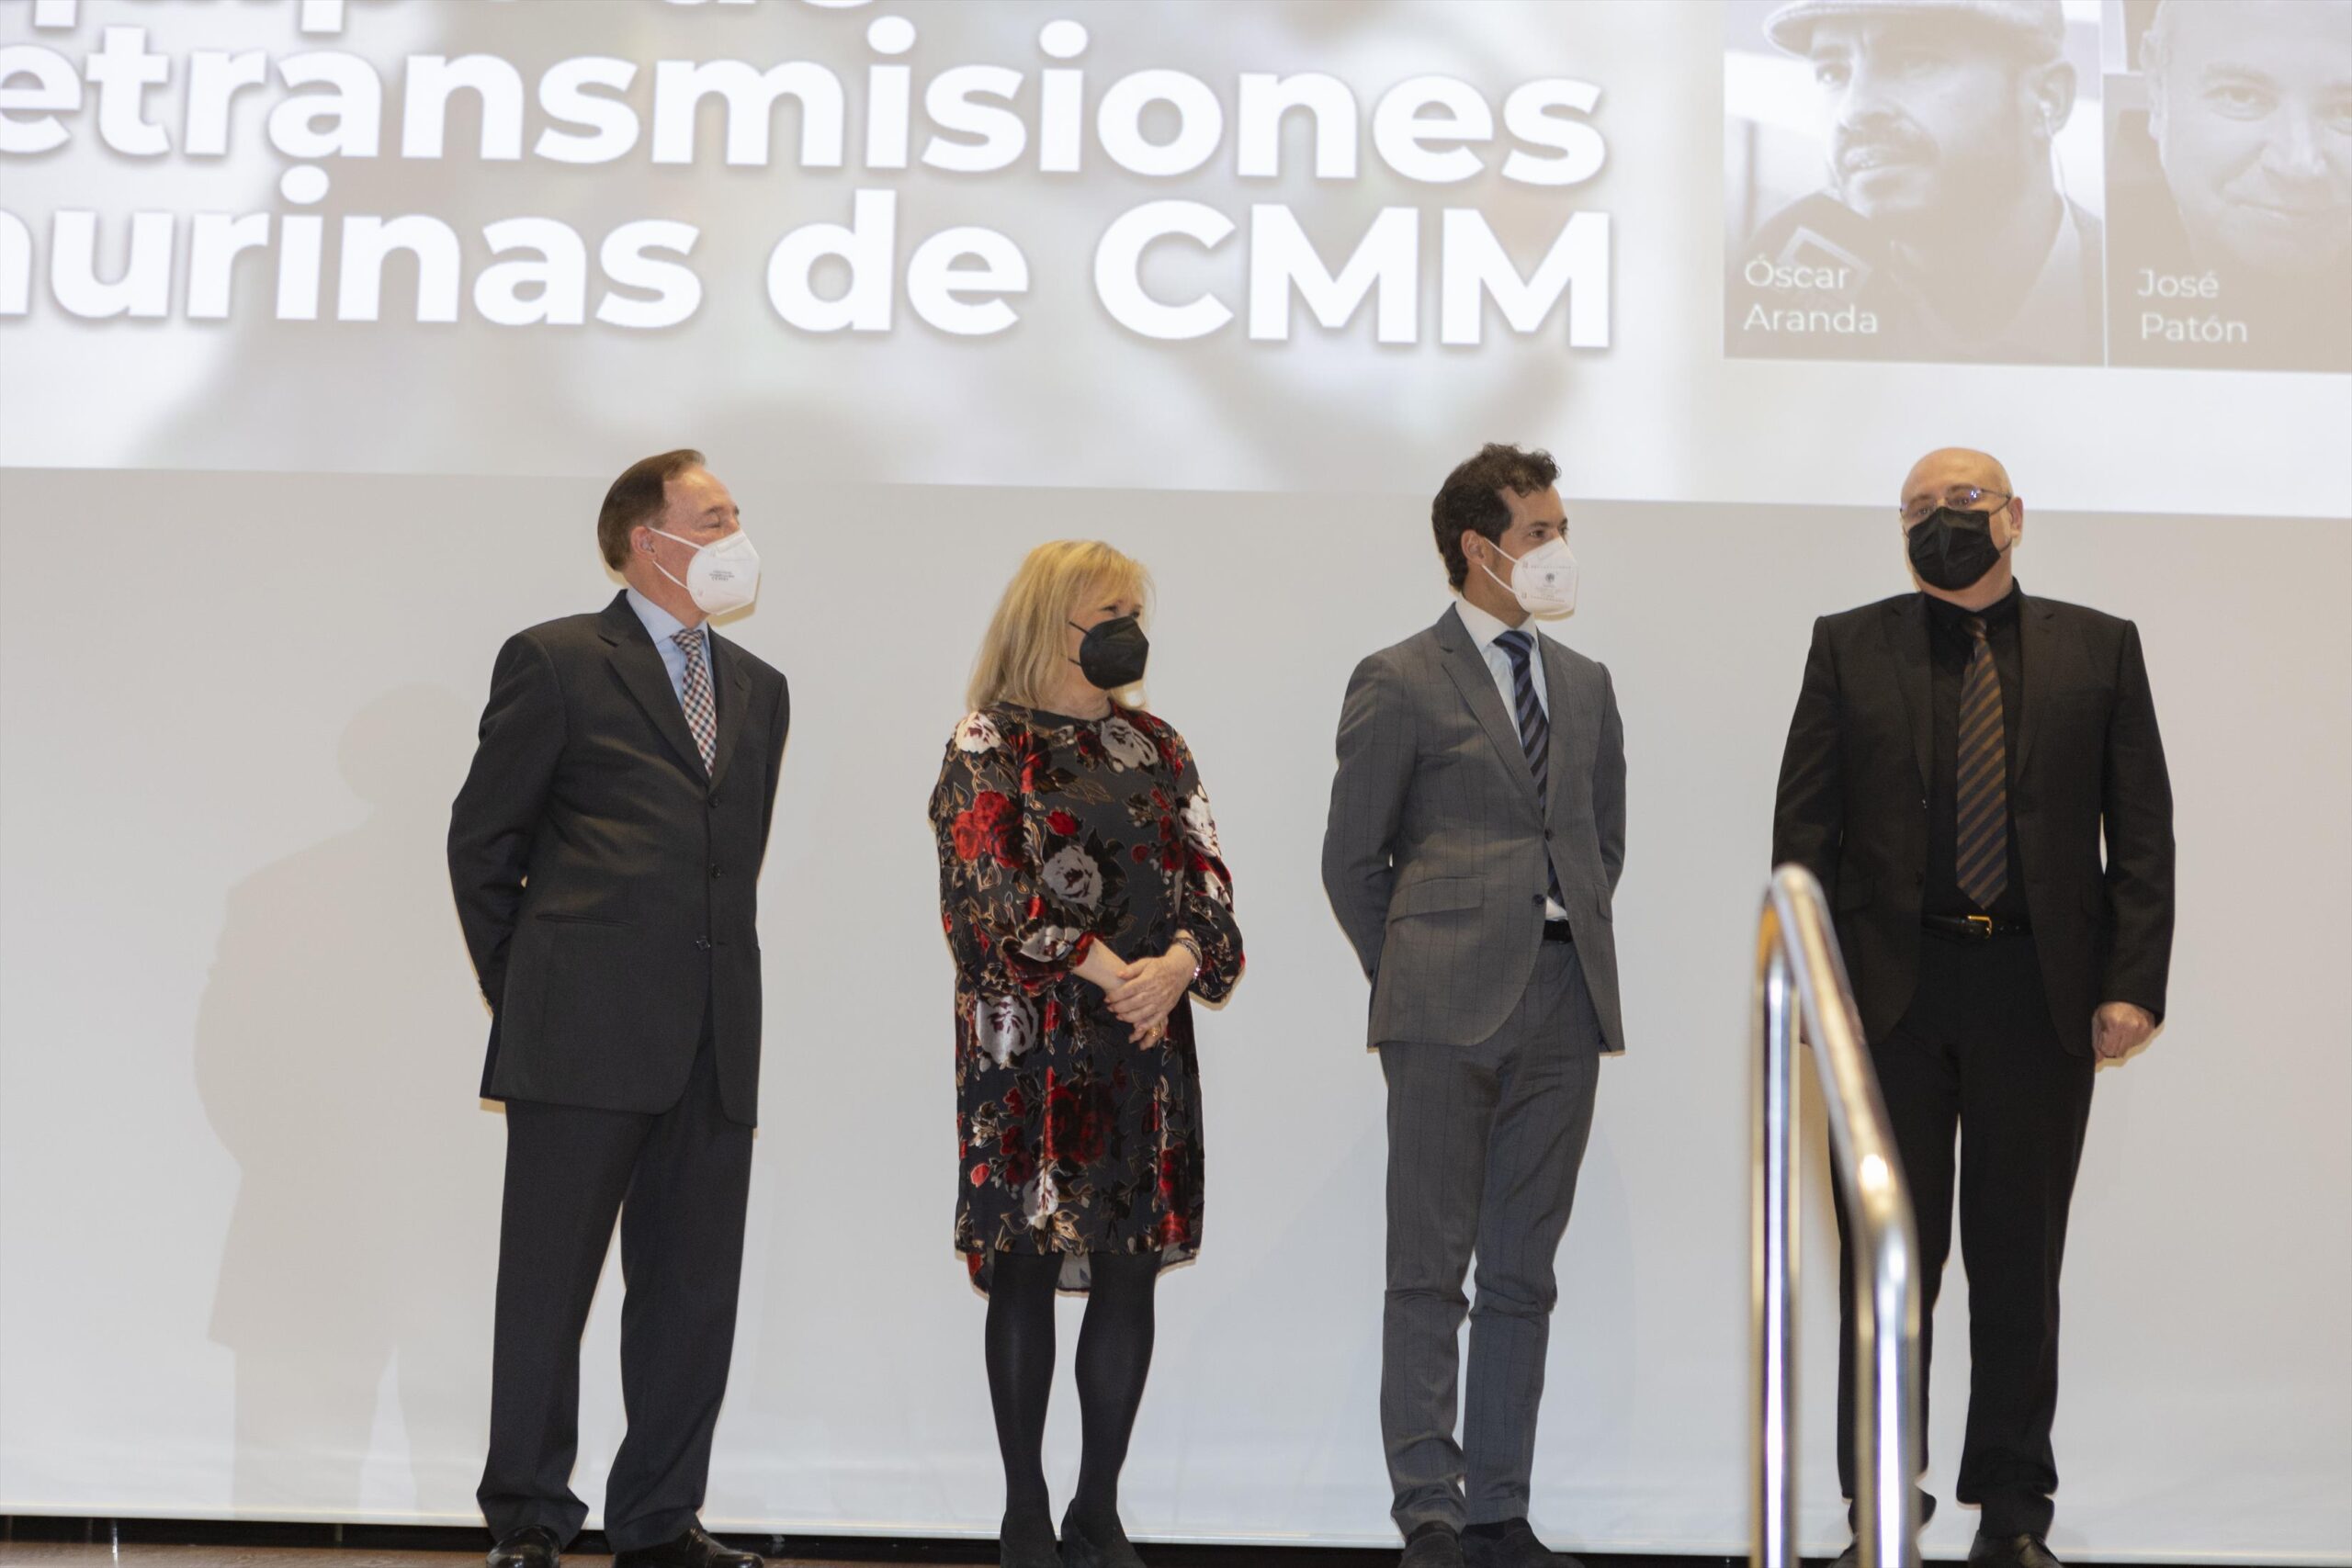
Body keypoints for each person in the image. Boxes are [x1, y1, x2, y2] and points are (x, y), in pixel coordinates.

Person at [1771, 448, 2175, 1567]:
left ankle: (2011, 1512)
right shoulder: (1846, 645)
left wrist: (2131, 982)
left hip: (2038, 995)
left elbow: (2140, 831)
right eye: (1917, 506)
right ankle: (1879, 1507)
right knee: (1885, 1265)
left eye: (1962, 501)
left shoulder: (2099, 646)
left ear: (2013, 517)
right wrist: (1812, 985)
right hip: (1885, 1001)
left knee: (2016, 1267)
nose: (1938, 520)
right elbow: (1803, 834)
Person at [448, 449, 789, 1568]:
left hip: (713, 1038)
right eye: (714, 516)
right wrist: (533, 991)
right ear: (651, 540)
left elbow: (728, 863)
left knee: (691, 1295)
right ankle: (528, 1516)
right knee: (547, 1290)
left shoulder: (760, 686)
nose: (736, 533)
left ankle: (659, 1519)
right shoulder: (555, 661)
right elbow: (482, 843)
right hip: (579, 1036)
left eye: (734, 514)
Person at [1321, 444, 1626, 1568]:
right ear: (1478, 547)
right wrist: (1413, 971)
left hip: (1564, 1000)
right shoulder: (1399, 676)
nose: (1557, 549)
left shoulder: (1585, 683)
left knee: (1520, 1274)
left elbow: (1600, 846)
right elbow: (1352, 859)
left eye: (1558, 529)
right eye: (1539, 531)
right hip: (1441, 1009)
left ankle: (1498, 1506)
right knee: (1426, 1270)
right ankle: (1431, 1511)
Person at [928, 541, 1244, 1568]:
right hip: (1028, 1053)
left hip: (1144, 1045)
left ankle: (1095, 1512)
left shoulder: (1158, 743)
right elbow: (990, 899)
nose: (1129, 631)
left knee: (1128, 1270)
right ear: (1052, 621)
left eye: (1134, 612)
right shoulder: (990, 739)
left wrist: (1179, 964)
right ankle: (1024, 1514)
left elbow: (1209, 882)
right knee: (1021, 1270)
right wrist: (1117, 972)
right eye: (1110, 612)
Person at [1732, 0, 2100, 364]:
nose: (1854, 111)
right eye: (1833, 73)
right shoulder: (1789, 264)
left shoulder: (2120, 293)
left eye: (1914, 61)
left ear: (2047, 98)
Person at [2117, 0, 2352, 369]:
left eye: (2346, 110)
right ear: (2157, 89)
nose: (2301, 164)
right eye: (2242, 96)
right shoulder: (2078, 278)